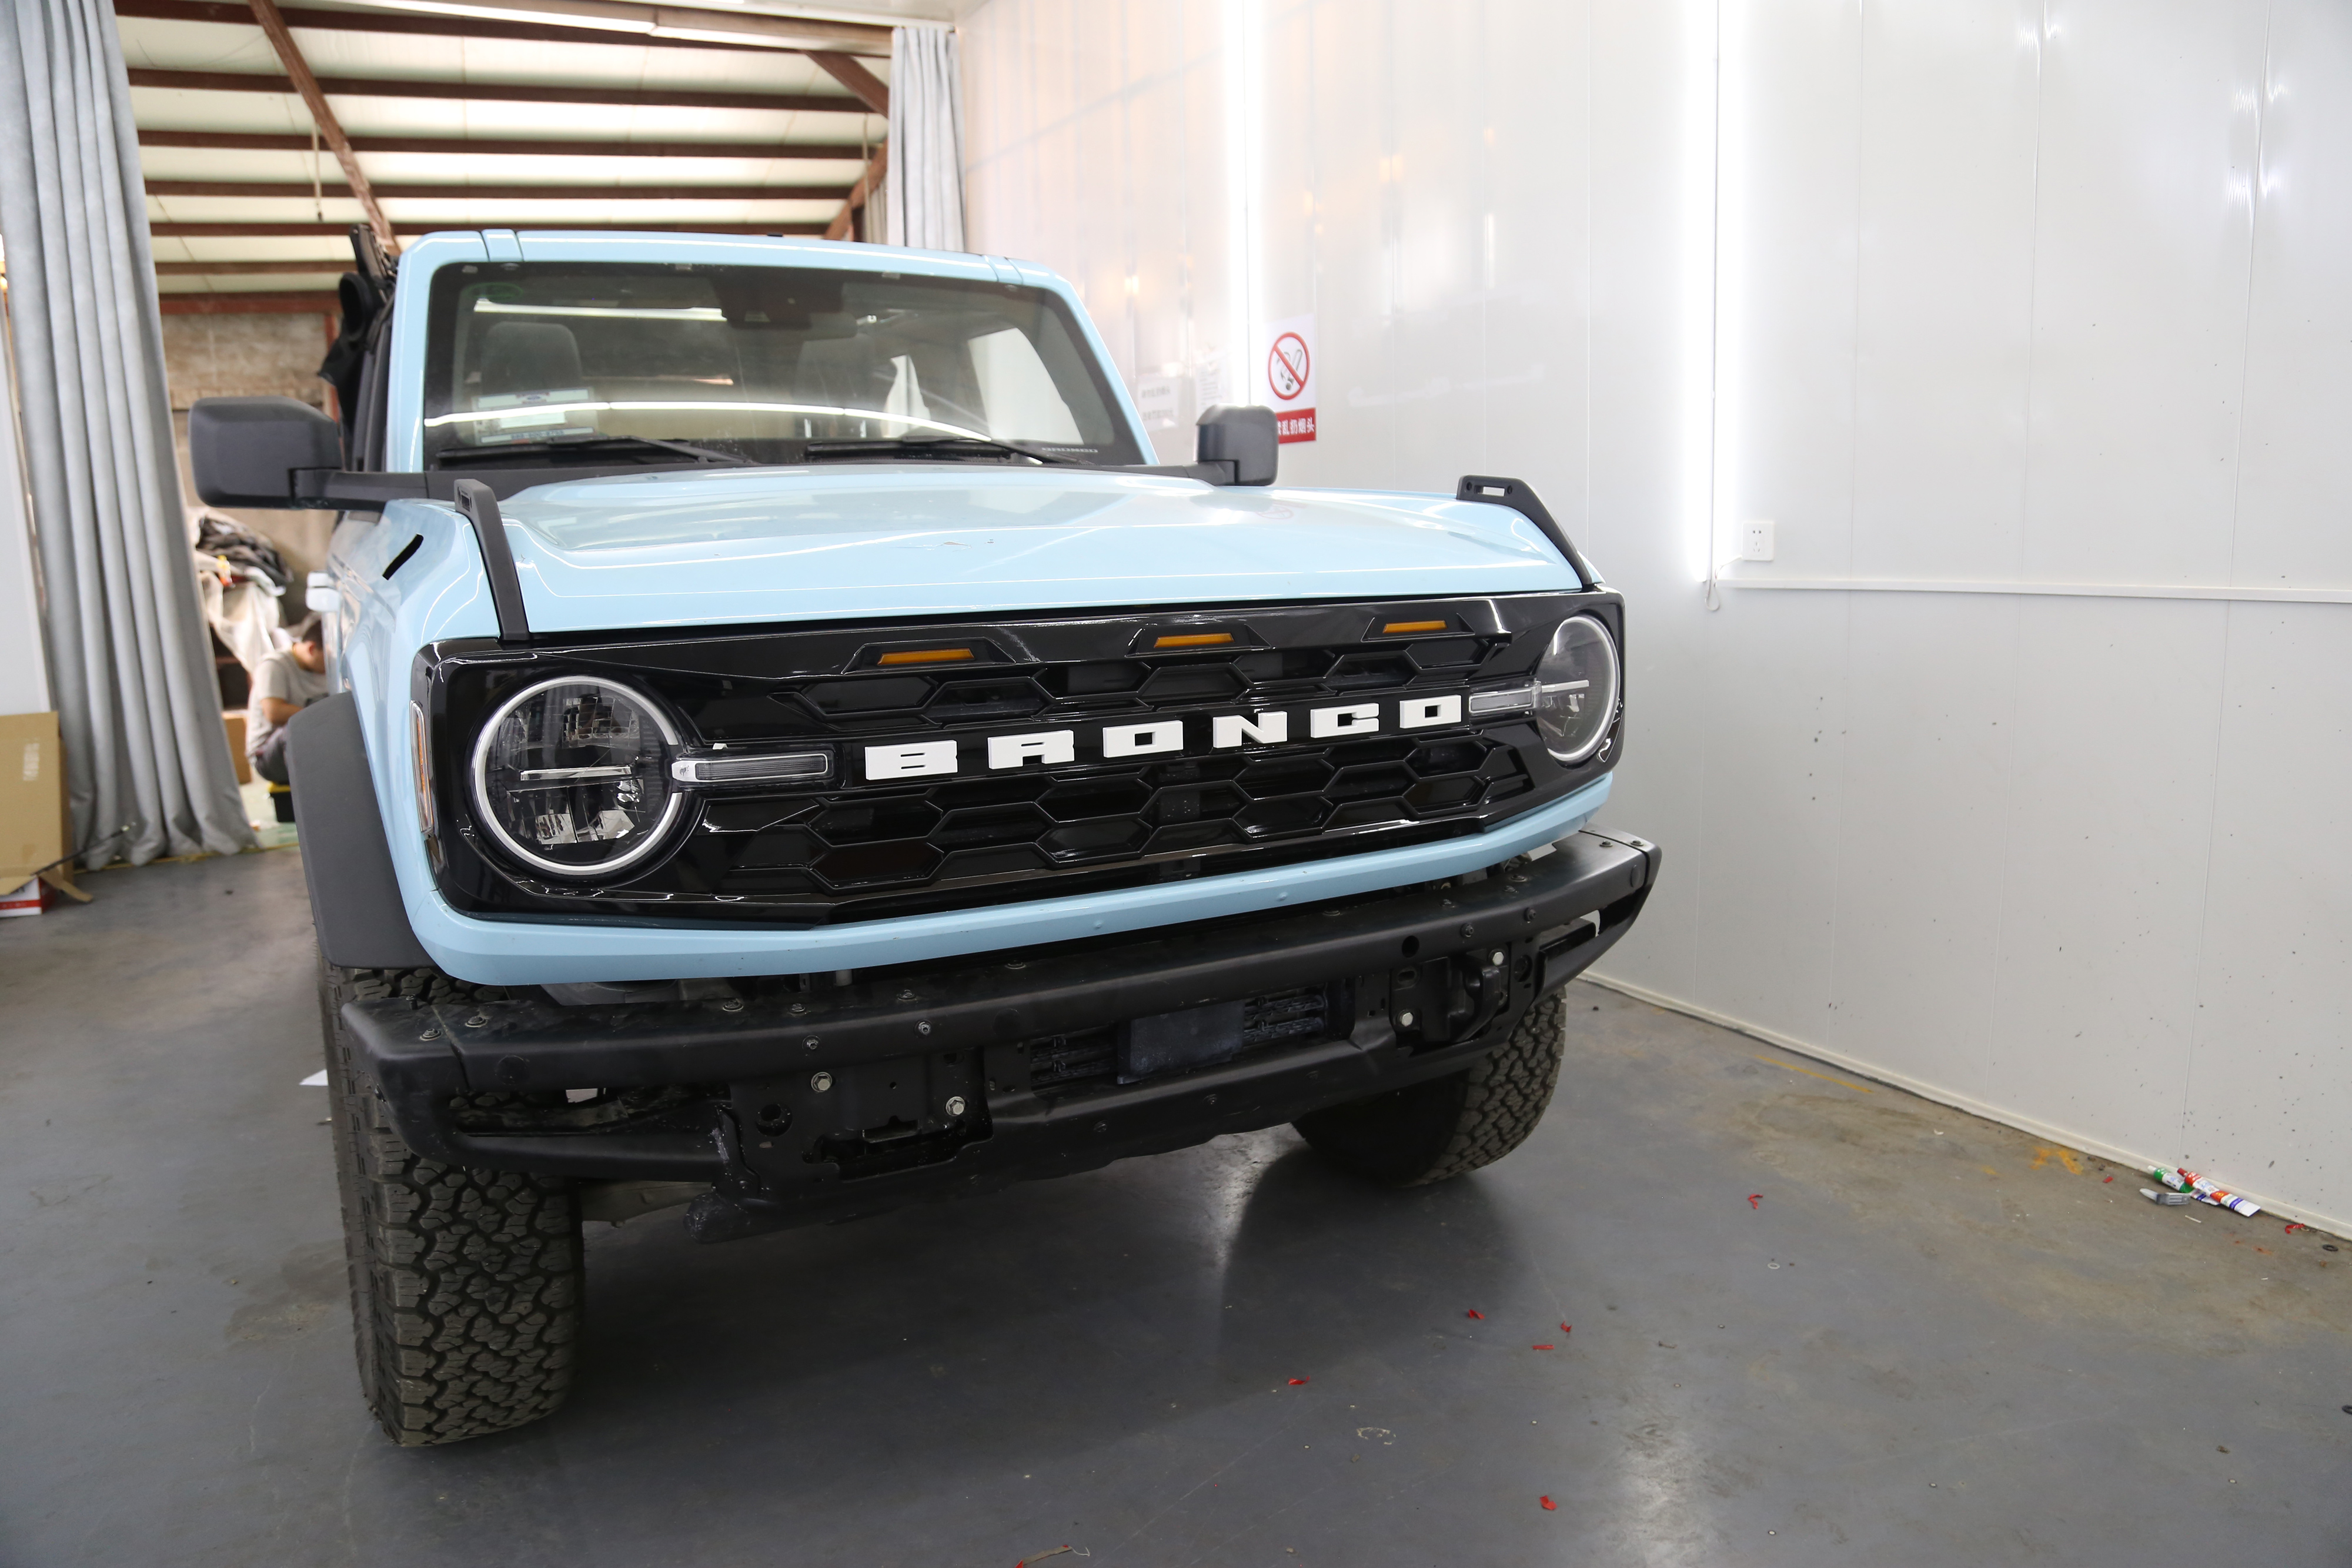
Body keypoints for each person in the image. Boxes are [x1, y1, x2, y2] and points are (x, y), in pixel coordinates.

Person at [248, 614, 329, 787]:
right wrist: (326, 717)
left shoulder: (322, 668)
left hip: (307, 744)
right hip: (268, 755)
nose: (331, 665)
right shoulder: (274, 665)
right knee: (296, 729)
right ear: (312, 649)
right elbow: (274, 713)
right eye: (328, 658)